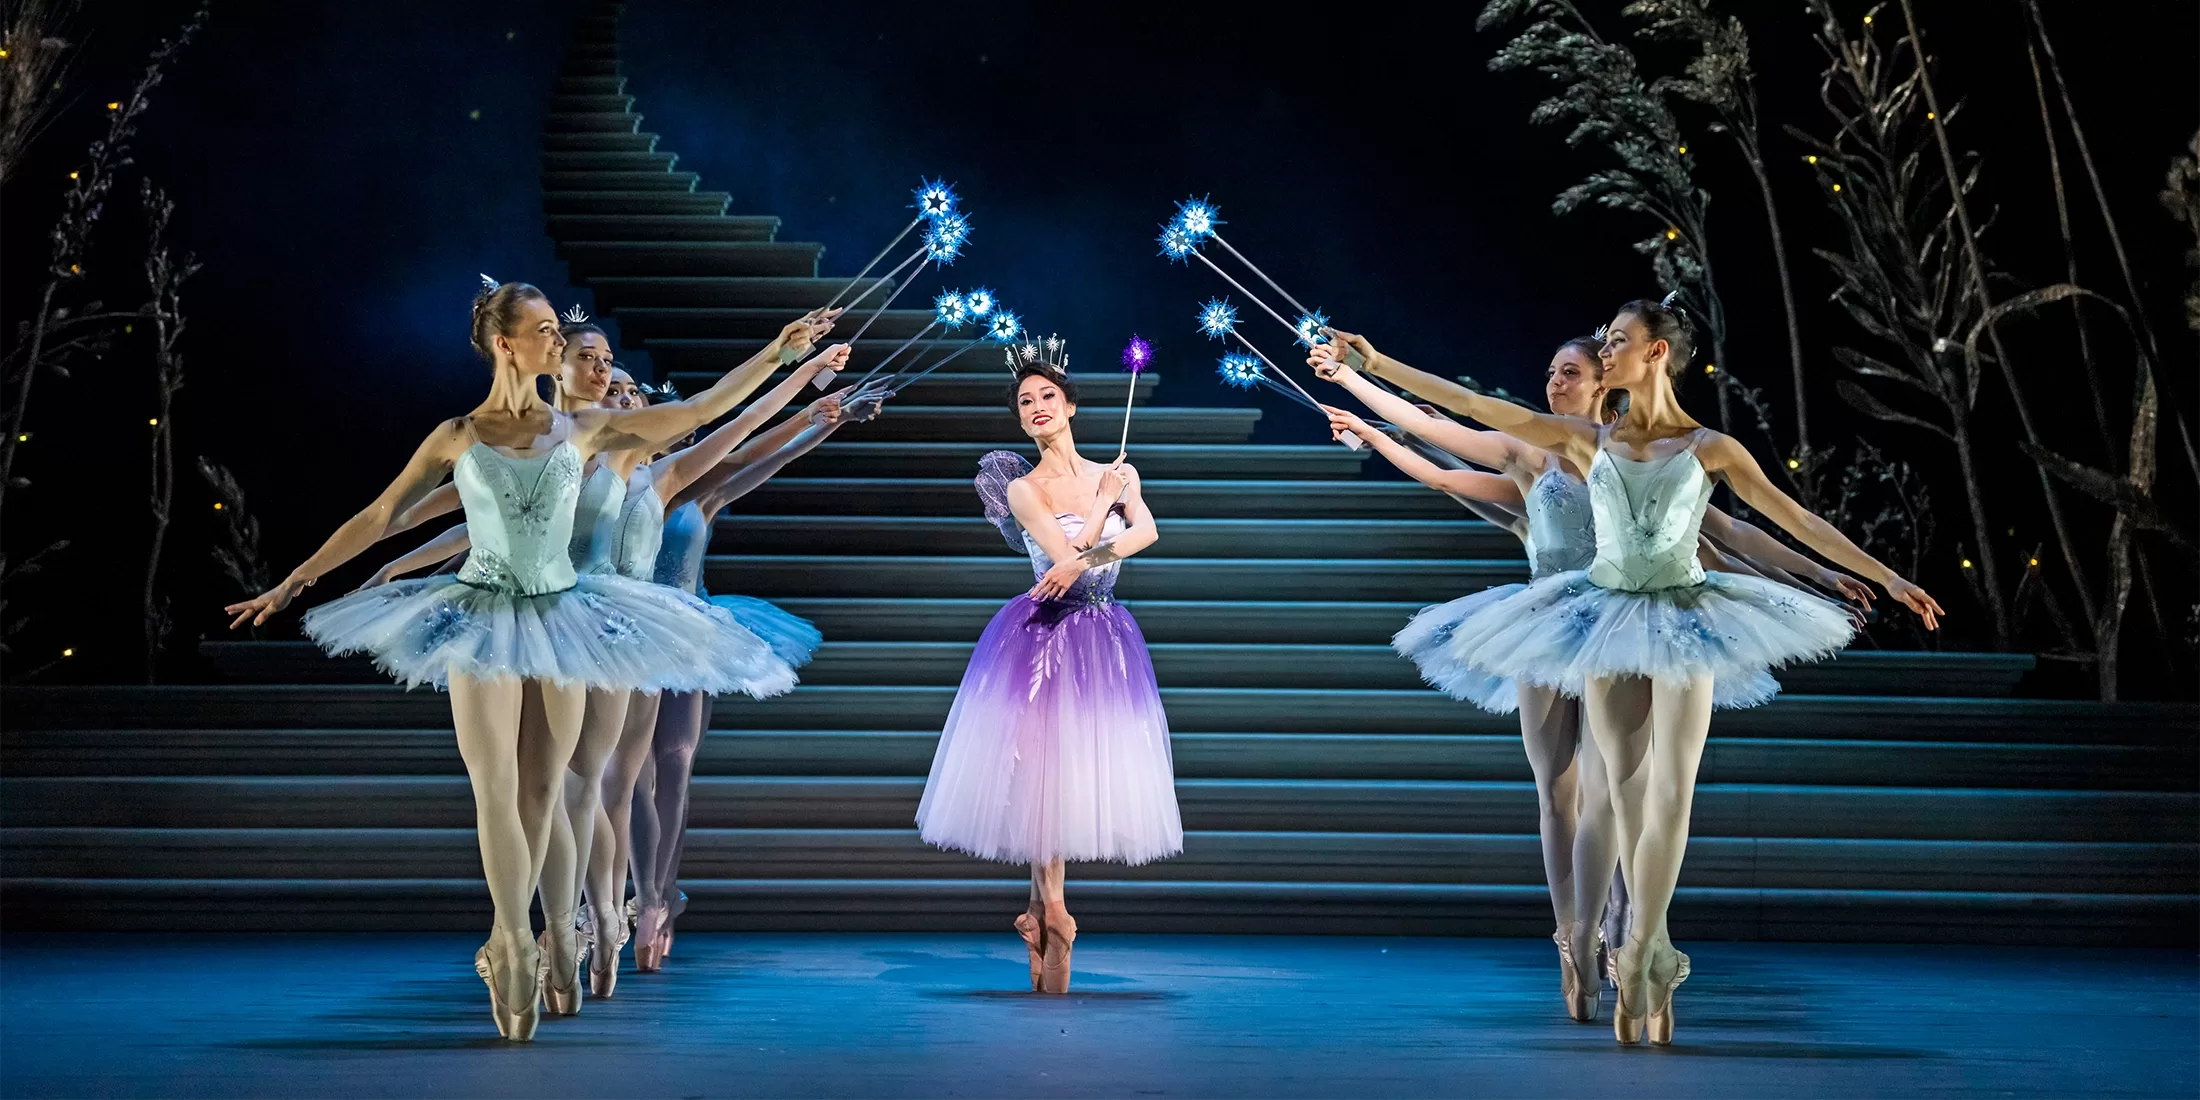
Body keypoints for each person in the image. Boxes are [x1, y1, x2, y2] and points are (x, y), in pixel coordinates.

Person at [1311, 299, 1942, 1045]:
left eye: (1616, 342)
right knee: (1617, 793)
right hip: (1602, 619)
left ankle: (1642, 940)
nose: (1604, 353)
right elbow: (1470, 409)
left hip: (1682, 618)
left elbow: (1783, 521)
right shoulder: (1582, 442)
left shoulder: (1713, 448)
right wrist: (1372, 366)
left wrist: (1884, 576)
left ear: (1657, 354)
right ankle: (1609, 940)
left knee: (1669, 791)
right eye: (1601, 342)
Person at [224, 282, 833, 1040]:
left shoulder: (585, 430)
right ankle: (511, 940)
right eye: (545, 331)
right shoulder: (455, 434)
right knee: (496, 786)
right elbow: (383, 515)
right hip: (482, 616)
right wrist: (297, 579)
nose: (560, 341)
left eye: (558, 332)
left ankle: (563, 934)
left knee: (547, 793)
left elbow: (702, 412)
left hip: (563, 617)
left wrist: (778, 355)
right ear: (505, 343)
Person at [914, 343, 1181, 994]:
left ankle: (1039, 913)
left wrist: (1115, 500)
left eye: (1046, 397)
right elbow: (1064, 561)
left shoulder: (1117, 472)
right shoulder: (1023, 487)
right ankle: (1056, 914)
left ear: (1070, 407)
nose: (1036, 407)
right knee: (1040, 774)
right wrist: (1103, 506)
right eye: (1025, 402)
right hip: (1042, 635)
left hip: (1103, 634)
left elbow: (1147, 535)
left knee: (1066, 776)